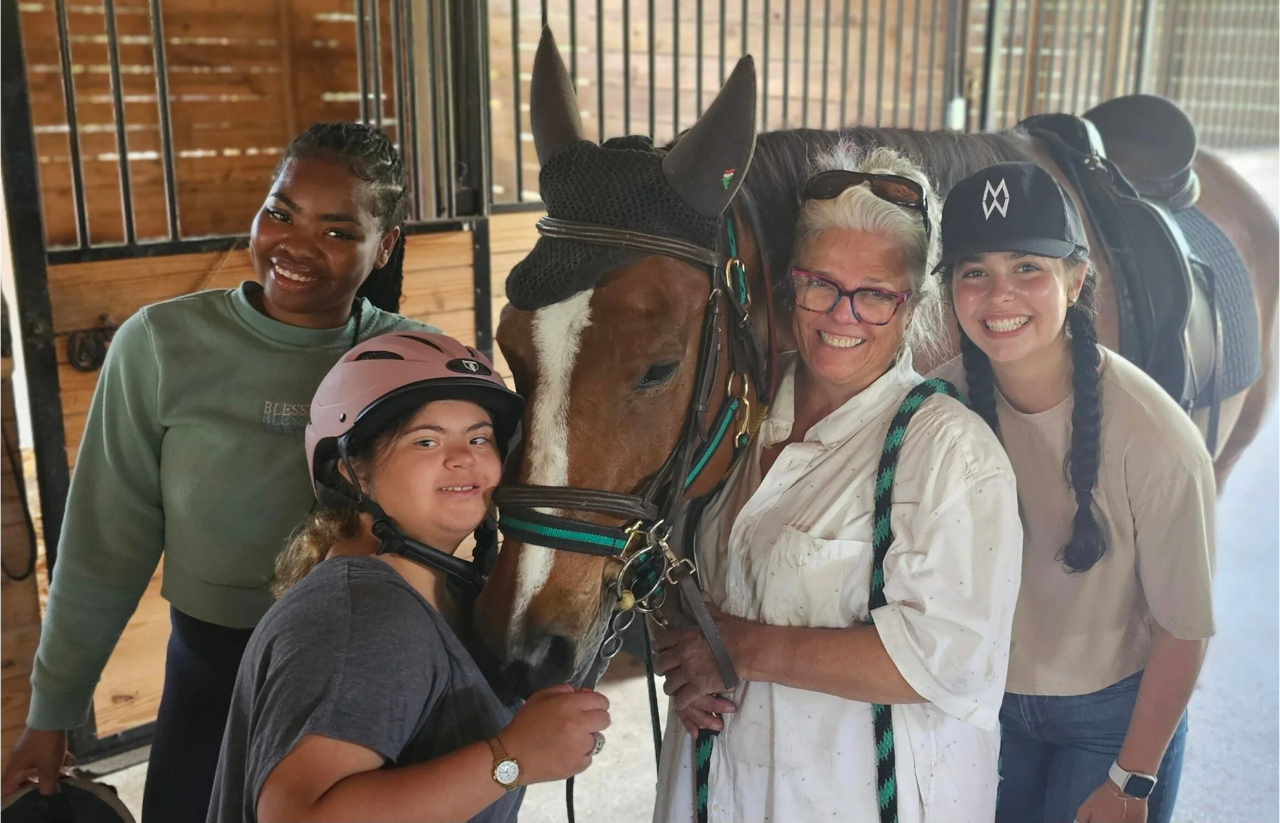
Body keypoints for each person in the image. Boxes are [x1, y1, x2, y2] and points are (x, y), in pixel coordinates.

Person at [0, 123, 434, 822]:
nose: (294, 245)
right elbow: (101, 546)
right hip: (211, 674)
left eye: (336, 232)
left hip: (369, 677)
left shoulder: (419, 357)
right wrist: (51, 713)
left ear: (383, 247)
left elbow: (471, 529)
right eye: (281, 212)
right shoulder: (161, 346)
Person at [651, 146, 1024, 823]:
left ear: (913, 306)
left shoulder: (948, 453)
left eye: (875, 294)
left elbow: (945, 664)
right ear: (792, 284)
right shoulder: (740, 415)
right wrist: (685, 647)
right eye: (820, 283)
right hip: (720, 785)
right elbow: (703, 575)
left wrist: (735, 648)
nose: (840, 314)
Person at [207, 331, 610, 823]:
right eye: (426, 440)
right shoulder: (366, 615)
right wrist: (512, 759)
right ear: (352, 469)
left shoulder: (433, 590)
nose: (463, 457)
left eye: (479, 438)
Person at [932, 161, 1215, 823]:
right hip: (986, 700)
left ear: (1076, 277)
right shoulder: (936, 407)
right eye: (975, 271)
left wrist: (1131, 780)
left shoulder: (1158, 441)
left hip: (1109, 716)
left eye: (1027, 267)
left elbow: (1184, 629)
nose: (999, 295)